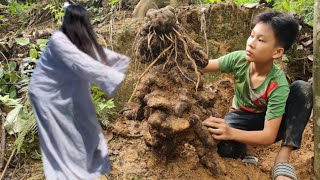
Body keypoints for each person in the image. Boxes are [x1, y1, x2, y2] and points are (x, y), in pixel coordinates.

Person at [202, 11, 312, 180]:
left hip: (271, 123)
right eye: (251, 35)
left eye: (260, 40)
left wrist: (230, 132)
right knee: (223, 148)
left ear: (277, 52)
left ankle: (283, 159)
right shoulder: (239, 59)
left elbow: (268, 135)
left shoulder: (278, 84)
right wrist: (180, 52)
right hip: (241, 117)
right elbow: (205, 65)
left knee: (302, 89)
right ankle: (247, 148)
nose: (251, 43)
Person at [29, 4, 129, 180]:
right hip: (46, 94)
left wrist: (120, 62)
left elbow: (93, 54)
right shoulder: (60, 40)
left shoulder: (73, 40)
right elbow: (82, 62)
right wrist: (113, 76)